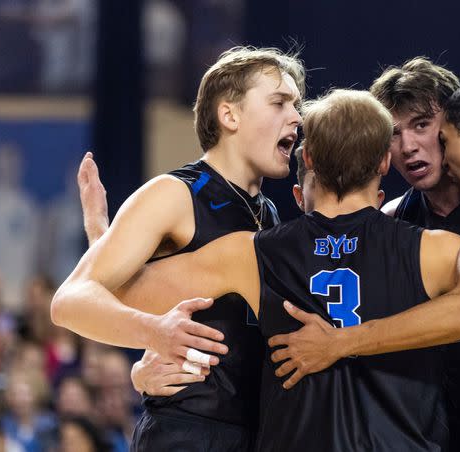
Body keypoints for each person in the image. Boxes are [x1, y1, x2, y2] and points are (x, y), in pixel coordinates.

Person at [58, 89, 460, 450]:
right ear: (383, 161)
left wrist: (106, 241)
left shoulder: (250, 251)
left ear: (306, 159)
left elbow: (115, 290)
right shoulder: (432, 250)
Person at [52, 46, 304, 450]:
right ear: (229, 115)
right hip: (188, 434)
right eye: (279, 102)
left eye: (297, 104)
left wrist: (99, 233)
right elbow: (69, 301)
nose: (296, 116)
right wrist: (154, 333)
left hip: (254, 433)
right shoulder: (174, 193)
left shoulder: (269, 212)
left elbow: (149, 286)